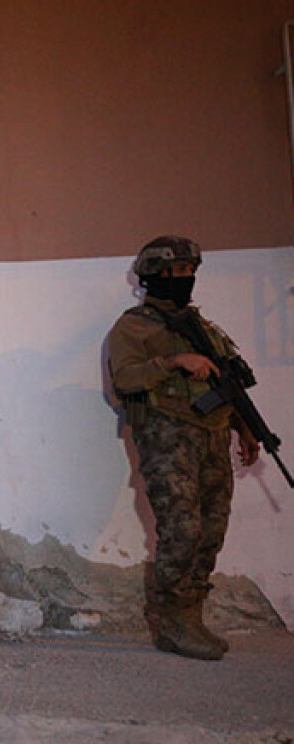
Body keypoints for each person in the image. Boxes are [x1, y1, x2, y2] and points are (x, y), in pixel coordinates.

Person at [108, 235, 258, 661]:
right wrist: (173, 362)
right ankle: (172, 621)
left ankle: (192, 613)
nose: (186, 278)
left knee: (211, 530)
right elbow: (126, 380)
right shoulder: (133, 327)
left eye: (191, 271)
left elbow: (227, 382)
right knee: (182, 530)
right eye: (177, 272)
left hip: (213, 434)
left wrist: (245, 428)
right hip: (168, 438)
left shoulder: (203, 328)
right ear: (153, 275)